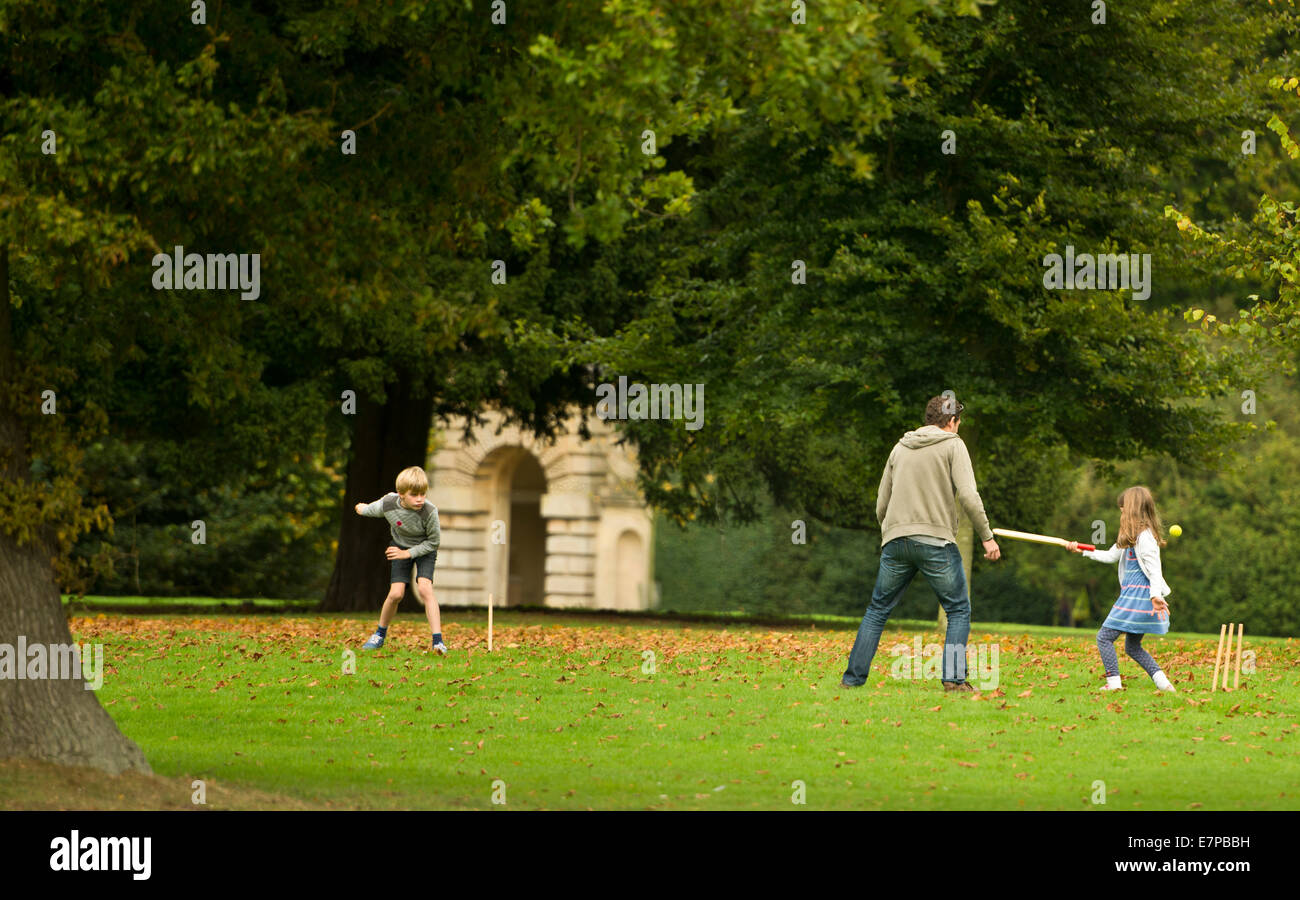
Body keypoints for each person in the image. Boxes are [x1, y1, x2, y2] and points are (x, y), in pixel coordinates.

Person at [841, 396, 999, 691]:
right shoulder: (954, 445)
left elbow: (881, 502)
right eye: (959, 422)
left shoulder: (900, 447)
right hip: (935, 542)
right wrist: (986, 536)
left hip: (896, 541)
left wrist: (890, 532)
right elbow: (968, 495)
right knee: (958, 610)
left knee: (877, 610)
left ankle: (851, 680)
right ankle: (953, 680)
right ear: (952, 422)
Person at [1067, 486, 1175, 692]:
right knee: (1132, 647)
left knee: (1104, 637)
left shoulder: (1145, 537)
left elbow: (1154, 570)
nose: (1121, 513)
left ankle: (1114, 685)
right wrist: (1080, 549)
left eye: (1123, 509)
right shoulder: (1130, 537)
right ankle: (1165, 685)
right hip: (1137, 597)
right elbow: (1109, 556)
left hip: (1139, 597)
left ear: (1132, 509)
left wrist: (1155, 595)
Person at [354, 466, 446, 654]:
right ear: (401, 494)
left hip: (425, 549)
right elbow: (370, 509)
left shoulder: (429, 511)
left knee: (424, 588)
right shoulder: (388, 503)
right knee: (396, 594)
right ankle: (379, 635)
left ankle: (438, 642)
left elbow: (434, 542)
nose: (420, 499)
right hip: (400, 547)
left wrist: (408, 553)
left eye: (423, 494)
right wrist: (361, 509)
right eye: (414, 494)